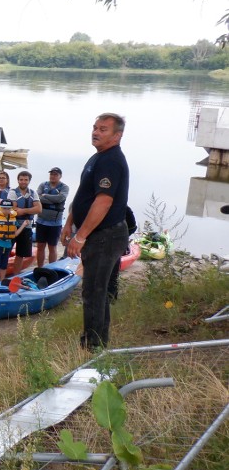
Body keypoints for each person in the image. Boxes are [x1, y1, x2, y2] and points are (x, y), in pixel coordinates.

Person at [62, 112, 130, 349]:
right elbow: (85, 194)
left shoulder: (111, 160)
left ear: (117, 135)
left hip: (106, 236)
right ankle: (96, 342)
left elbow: (103, 202)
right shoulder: (97, 157)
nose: (96, 132)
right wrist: (69, 222)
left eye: (103, 129)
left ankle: (92, 347)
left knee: (94, 293)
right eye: (95, 127)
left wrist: (80, 237)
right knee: (95, 292)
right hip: (97, 234)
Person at [0, 199, 27, 286]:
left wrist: (24, 225)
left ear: (11, 209)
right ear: (1, 208)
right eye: (4, 208)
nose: (6, 210)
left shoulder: (13, 220)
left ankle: (2, 280)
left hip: (7, 245)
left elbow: (15, 234)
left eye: (8, 209)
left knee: (4, 263)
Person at [35, 167, 70, 267]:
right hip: (41, 221)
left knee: (52, 247)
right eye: (51, 174)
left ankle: (51, 268)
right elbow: (37, 198)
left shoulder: (64, 187)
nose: (53, 176)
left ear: (60, 176)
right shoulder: (43, 185)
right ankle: (40, 267)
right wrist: (50, 199)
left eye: (55, 174)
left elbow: (60, 198)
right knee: (40, 246)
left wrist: (45, 196)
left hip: (55, 223)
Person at [11, 171, 41, 273]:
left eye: (26, 180)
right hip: (12, 224)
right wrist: (31, 209)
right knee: (6, 250)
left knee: (21, 253)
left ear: (29, 181)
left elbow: (39, 209)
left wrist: (23, 210)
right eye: (21, 179)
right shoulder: (13, 192)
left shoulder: (33, 193)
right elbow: (14, 210)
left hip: (26, 226)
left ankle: (16, 275)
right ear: (18, 180)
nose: (23, 182)